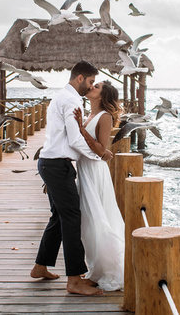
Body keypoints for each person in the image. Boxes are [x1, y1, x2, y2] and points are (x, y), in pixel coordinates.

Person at [30, 61, 111, 296]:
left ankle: (40, 266)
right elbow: (75, 140)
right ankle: (74, 280)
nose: (91, 86)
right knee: (72, 218)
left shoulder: (62, 97)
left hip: (50, 163)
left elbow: (72, 137)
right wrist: (99, 156)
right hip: (56, 165)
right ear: (80, 78)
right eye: (90, 82)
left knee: (59, 216)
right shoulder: (73, 100)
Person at [72, 80, 125, 291]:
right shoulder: (89, 115)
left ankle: (106, 272)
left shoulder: (105, 117)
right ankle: (95, 270)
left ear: (103, 96)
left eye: (97, 87)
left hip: (95, 172)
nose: (91, 87)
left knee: (97, 220)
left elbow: (101, 150)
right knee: (87, 222)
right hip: (84, 170)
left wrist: (80, 129)